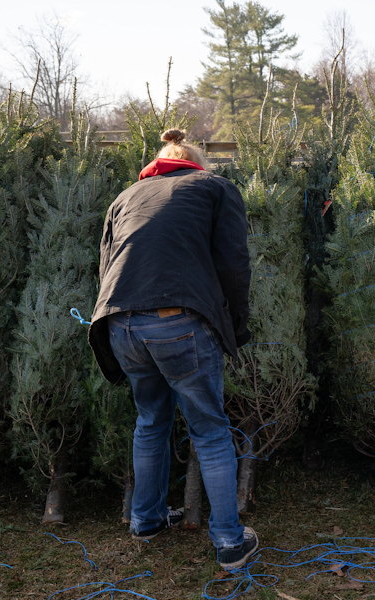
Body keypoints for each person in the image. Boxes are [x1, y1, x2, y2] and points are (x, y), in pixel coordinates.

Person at [88, 129, 259, 569]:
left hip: (120, 322)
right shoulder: (214, 187)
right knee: (210, 430)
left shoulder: (125, 196)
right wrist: (236, 326)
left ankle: (145, 520)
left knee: (150, 421)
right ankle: (229, 541)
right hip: (178, 320)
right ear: (196, 162)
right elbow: (234, 263)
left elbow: (106, 266)